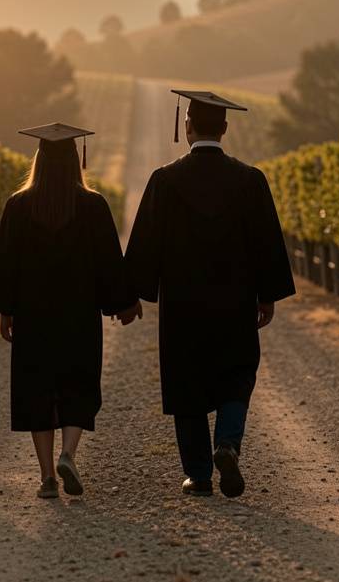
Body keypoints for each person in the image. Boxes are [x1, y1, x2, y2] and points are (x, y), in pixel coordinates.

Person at [125, 90, 295, 498]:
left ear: (187, 127)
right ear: (225, 128)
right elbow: (266, 244)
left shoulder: (165, 181)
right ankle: (228, 443)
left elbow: (146, 244)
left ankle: (198, 474)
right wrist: (266, 295)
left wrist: (132, 293)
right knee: (237, 373)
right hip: (235, 300)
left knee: (187, 384)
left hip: (182, 303)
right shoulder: (250, 180)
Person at [0, 123, 141, 499]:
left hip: (33, 315)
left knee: (37, 388)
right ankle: (68, 455)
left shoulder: (18, 206)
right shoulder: (93, 204)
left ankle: (46, 477)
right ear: (76, 160)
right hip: (78, 314)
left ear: (38, 159)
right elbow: (108, 260)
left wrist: (5, 310)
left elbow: (5, 262)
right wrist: (123, 302)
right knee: (77, 383)